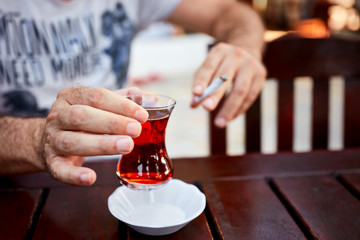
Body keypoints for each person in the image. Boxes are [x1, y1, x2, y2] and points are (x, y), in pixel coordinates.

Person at [0, 0, 266, 186]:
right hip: (16, 184)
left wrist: (245, 47)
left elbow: (229, 11)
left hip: (116, 176)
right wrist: (37, 139)